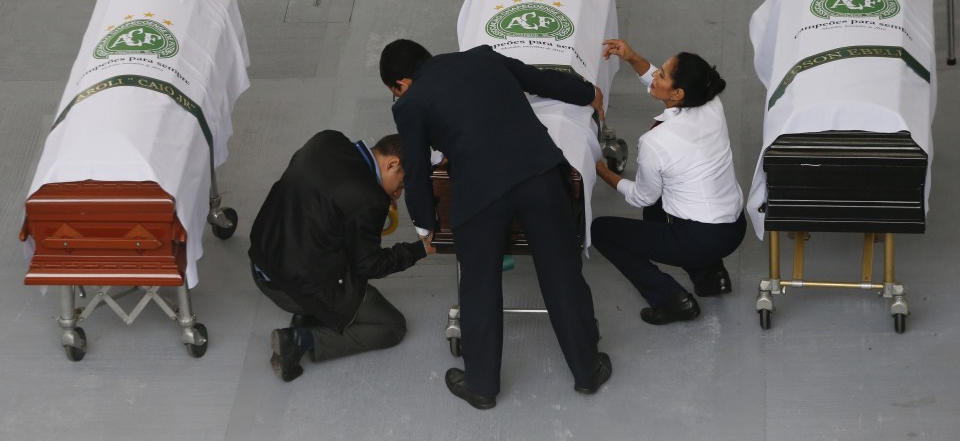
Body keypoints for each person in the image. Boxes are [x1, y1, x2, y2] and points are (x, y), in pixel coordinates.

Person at [380, 39, 611, 410]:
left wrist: (426, 223)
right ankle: (587, 370)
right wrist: (588, 93)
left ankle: (481, 385)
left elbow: (419, 170)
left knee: (479, 286)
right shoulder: (483, 59)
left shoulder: (410, 103)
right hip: (538, 175)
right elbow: (538, 79)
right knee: (562, 273)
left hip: (479, 196)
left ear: (400, 84)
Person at [248, 130, 434, 382]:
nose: (398, 193)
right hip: (290, 283)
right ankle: (301, 339)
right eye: (401, 184)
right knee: (392, 326)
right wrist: (420, 249)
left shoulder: (327, 140)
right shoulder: (369, 199)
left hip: (264, 256)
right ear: (392, 164)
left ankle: (310, 315)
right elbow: (369, 265)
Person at [592, 39, 746, 325]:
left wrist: (603, 172)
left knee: (602, 231)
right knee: (658, 207)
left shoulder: (656, 141)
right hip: (735, 226)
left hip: (701, 239)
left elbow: (641, 196)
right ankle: (711, 277)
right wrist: (632, 57)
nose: (655, 76)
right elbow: (659, 82)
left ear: (677, 94)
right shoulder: (711, 102)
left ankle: (670, 299)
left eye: (661, 74)